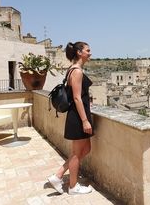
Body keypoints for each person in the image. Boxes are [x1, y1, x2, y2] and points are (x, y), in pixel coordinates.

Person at [48, 41, 94, 195]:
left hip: (79, 114)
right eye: (88, 50)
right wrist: (85, 120)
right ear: (79, 53)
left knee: (86, 149)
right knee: (76, 153)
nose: (90, 53)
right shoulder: (77, 71)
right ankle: (73, 187)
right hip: (78, 116)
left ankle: (58, 175)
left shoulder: (73, 69)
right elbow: (76, 98)